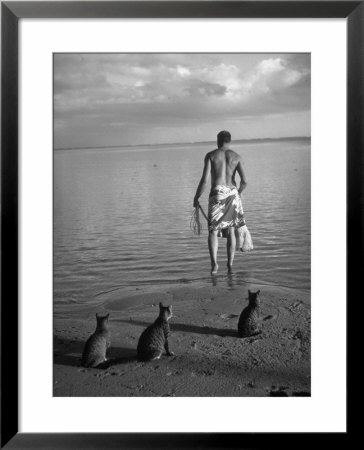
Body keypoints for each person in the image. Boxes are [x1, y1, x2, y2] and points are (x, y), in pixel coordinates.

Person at [193, 130, 247, 274]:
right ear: (229, 141)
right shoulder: (237, 157)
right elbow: (244, 181)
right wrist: (239, 193)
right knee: (231, 230)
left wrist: (196, 197)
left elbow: (205, 180)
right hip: (232, 195)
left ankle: (214, 265)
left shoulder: (211, 155)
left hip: (217, 194)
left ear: (218, 141)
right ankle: (230, 265)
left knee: (213, 230)